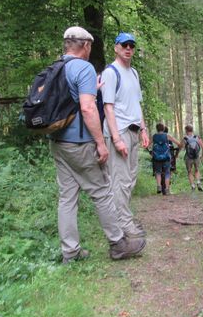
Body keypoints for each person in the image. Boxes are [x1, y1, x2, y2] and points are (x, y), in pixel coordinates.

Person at [49, 26, 146, 263]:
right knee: (102, 191)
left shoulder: (56, 67)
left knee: (67, 197)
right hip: (79, 142)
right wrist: (102, 142)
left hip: (57, 141)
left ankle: (70, 252)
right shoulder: (84, 68)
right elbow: (88, 108)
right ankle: (118, 243)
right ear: (85, 45)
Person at [102, 32, 149, 239]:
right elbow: (108, 108)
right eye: (124, 45)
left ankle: (123, 218)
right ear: (116, 48)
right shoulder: (111, 73)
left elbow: (137, 104)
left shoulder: (134, 73)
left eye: (131, 45)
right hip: (118, 131)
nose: (128, 48)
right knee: (119, 180)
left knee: (130, 178)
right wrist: (116, 139)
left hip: (133, 130)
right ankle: (124, 225)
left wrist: (144, 129)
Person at [151, 123, 180, 195]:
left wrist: (151, 151)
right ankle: (167, 189)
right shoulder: (167, 136)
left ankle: (159, 186)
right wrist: (179, 146)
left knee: (158, 172)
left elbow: (146, 144)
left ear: (157, 129)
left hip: (156, 157)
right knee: (167, 172)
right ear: (163, 129)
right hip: (166, 157)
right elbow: (178, 143)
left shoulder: (154, 136)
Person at [181, 125, 203, 191]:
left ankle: (192, 185)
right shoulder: (197, 137)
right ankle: (198, 182)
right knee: (197, 170)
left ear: (186, 130)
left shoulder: (185, 138)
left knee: (189, 172)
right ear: (192, 130)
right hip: (196, 157)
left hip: (188, 157)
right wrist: (202, 156)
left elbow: (182, 148)